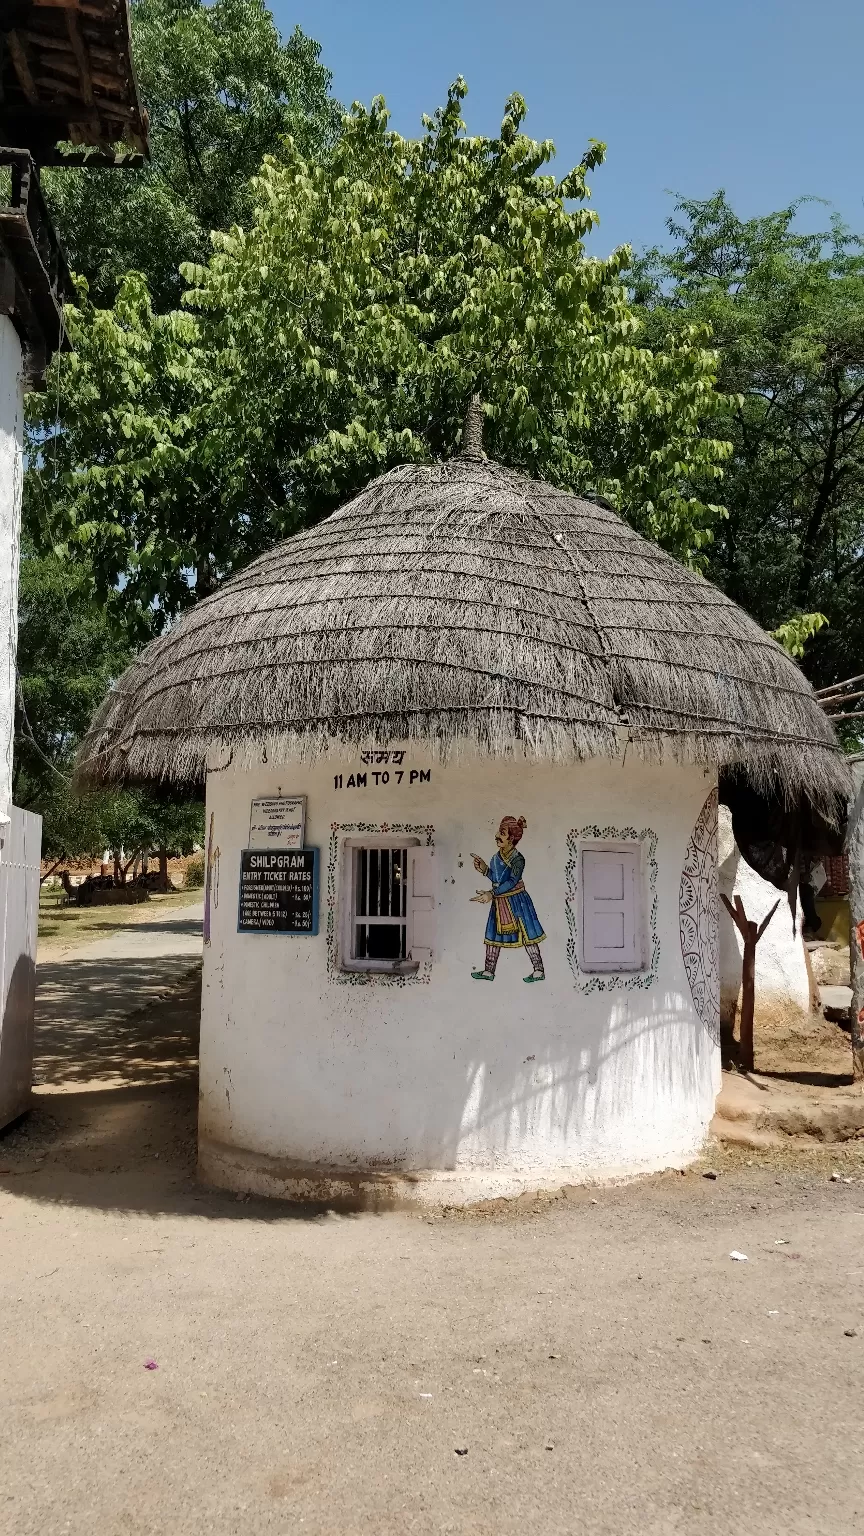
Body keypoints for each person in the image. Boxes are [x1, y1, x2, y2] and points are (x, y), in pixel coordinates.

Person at [470, 815, 546, 982]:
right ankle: (489, 971)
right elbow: (497, 880)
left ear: (511, 838)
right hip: (500, 900)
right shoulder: (496, 857)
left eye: (502, 833)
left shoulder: (518, 859)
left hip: (517, 901)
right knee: (492, 934)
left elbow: (511, 882)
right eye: (499, 831)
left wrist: (491, 894)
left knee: (528, 935)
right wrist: (484, 870)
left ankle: (539, 970)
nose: (497, 835)